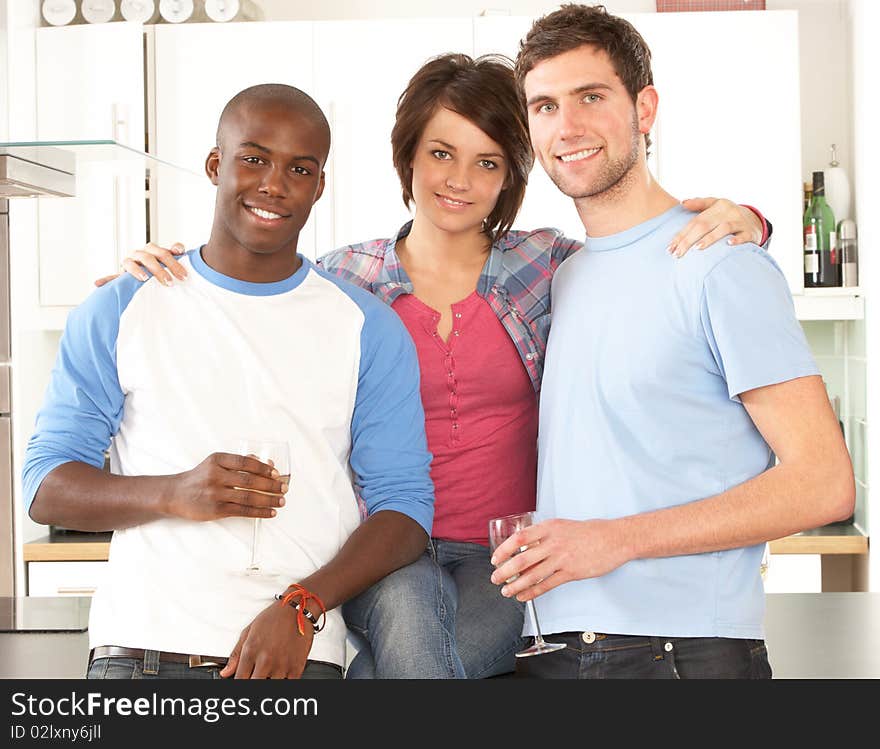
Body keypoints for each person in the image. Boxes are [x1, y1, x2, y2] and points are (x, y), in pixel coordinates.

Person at [103, 55, 767, 679]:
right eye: (441, 154)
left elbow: (644, 251)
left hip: (507, 553)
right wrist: (158, 277)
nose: (459, 180)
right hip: (385, 545)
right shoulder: (344, 279)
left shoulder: (550, 266)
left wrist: (752, 221)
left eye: (487, 162)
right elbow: (242, 292)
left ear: (510, 175)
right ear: (409, 157)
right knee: (414, 630)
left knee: (432, 659)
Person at [489, 4, 855, 679]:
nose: (566, 127)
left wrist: (616, 541)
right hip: (557, 646)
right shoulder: (563, 275)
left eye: (590, 97)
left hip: (674, 654)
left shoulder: (721, 262)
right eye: (544, 106)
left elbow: (825, 482)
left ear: (644, 108)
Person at [22, 83, 435, 680]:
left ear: (319, 187)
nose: (274, 183)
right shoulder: (122, 307)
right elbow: (45, 486)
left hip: (295, 663)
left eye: (299, 168)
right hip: (141, 657)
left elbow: (405, 510)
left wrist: (303, 606)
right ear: (216, 165)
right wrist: (172, 492)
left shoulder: (366, 326)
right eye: (254, 158)